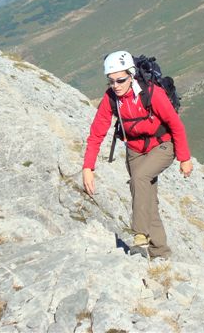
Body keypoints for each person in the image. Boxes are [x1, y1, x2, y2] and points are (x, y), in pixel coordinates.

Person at [82, 51, 193, 259]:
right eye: (111, 81)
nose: (115, 85)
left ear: (131, 75)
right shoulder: (111, 98)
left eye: (120, 80)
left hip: (162, 145)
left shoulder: (152, 93)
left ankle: (139, 234)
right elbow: (96, 133)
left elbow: (176, 125)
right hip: (134, 150)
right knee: (147, 200)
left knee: (139, 178)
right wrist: (88, 167)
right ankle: (160, 253)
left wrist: (184, 158)